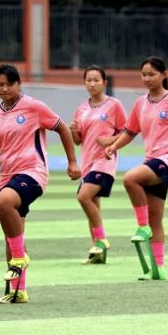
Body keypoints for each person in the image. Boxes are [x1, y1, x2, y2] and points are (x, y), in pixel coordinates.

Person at [0, 64, 80, 303]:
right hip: (6, 176)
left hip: (33, 172)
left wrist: (72, 162)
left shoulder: (33, 107)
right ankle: (18, 291)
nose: (4, 89)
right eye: (0, 84)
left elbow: (62, 128)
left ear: (19, 84)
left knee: (4, 202)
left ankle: (20, 259)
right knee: (12, 236)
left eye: (9, 84)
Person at [105, 57, 168, 280]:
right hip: (152, 161)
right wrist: (113, 146)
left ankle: (142, 227)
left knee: (130, 179)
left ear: (163, 75)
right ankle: (158, 268)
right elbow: (130, 132)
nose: (147, 78)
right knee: (155, 218)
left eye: (151, 74)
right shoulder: (140, 103)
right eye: (144, 74)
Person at [70, 65, 126, 264]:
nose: (92, 84)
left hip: (105, 161)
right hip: (87, 162)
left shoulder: (114, 105)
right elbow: (78, 140)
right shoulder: (81, 108)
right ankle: (98, 254)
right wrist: (73, 131)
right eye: (88, 80)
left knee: (83, 196)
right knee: (92, 206)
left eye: (96, 80)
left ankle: (101, 240)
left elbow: (127, 132)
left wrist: (111, 141)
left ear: (104, 82)